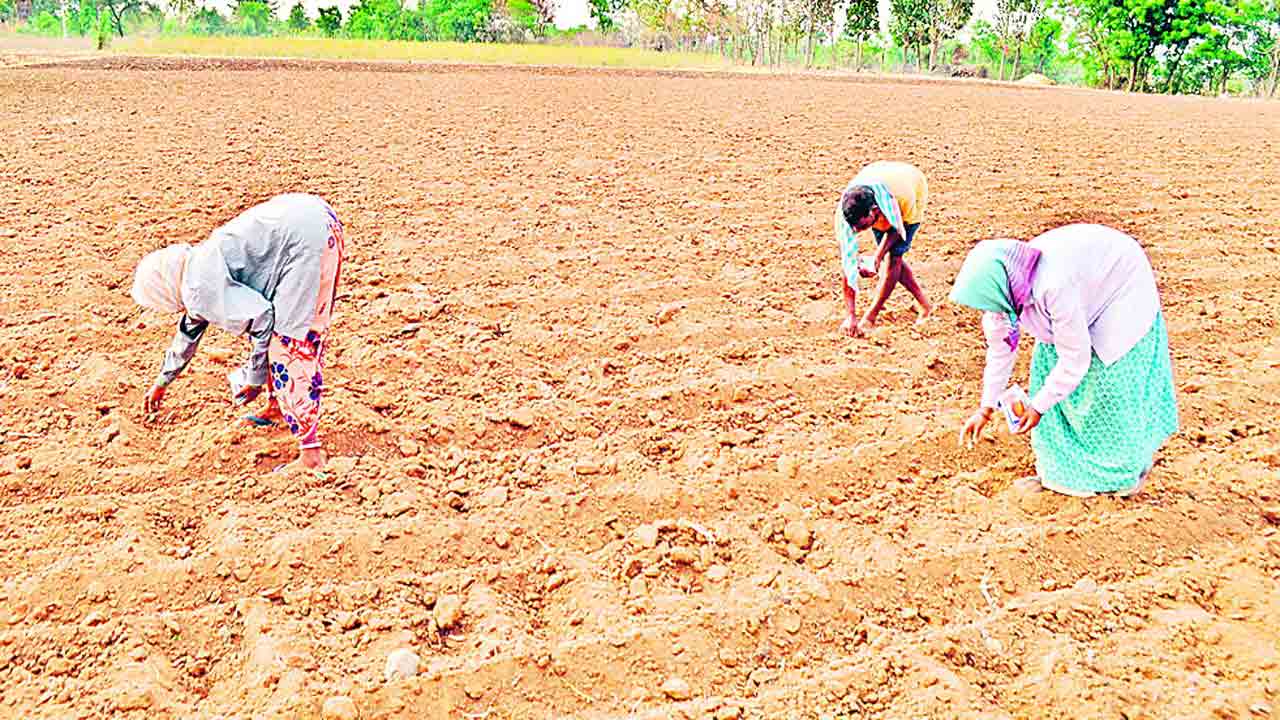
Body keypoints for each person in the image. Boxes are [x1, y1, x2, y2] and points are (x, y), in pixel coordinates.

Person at [952, 223, 1178, 498]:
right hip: (1081, 290)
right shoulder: (1006, 292)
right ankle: (1062, 473)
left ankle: (1119, 476)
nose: (988, 309)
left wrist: (1038, 406)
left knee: (1108, 386)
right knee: (1048, 366)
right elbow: (1000, 349)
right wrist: (985, 408)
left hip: (1120, 288)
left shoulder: (1053, 285)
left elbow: (1075, 359)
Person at [130, 193, 346, 471]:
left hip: (304, 241)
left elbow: (262, 318)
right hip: (316, 218)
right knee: (288, 334)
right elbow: (189, 332)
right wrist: (163, 381)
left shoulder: (197, 288)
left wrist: (255, 378)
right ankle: (278, 407)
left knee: (289, 345)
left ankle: (311, 455)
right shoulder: (195, 267)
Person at [835, 160, 933, 337]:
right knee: (890, 255)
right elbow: (847, 262)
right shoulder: (846, 212)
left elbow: (898, 230)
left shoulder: (903, 198)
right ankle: (925, 305)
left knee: (894, 257)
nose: (857, 232)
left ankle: (871, 317)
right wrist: (850, 316)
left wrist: (877, 257)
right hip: (879, 174)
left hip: (912, 184)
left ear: (875, 211)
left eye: (863, 226)